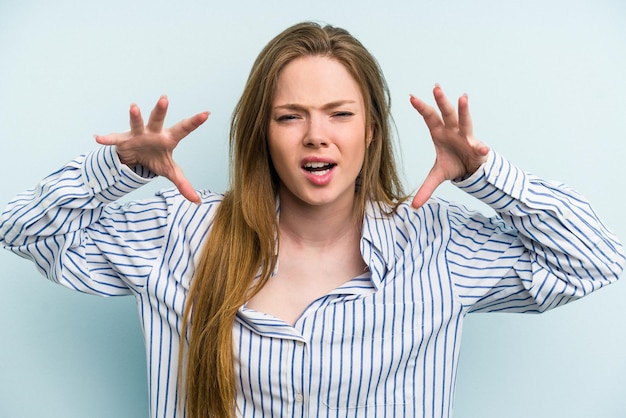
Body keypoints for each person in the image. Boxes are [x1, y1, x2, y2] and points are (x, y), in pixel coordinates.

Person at [0, 21, 623, 418]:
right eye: (290, 115)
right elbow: (23, 228)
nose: (316, 137)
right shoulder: (177, 235)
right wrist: (122, 170)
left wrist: (485, 178)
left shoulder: (438, 246)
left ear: (372, 130)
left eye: (340, 114)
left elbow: (596, 259)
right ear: (262, 135)